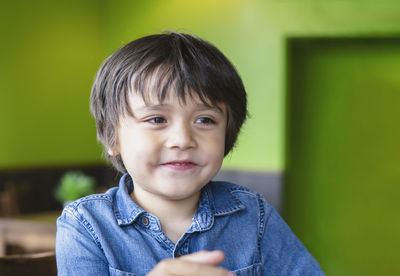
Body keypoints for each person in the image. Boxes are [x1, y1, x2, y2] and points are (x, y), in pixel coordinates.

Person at [56, 31, 324, 275]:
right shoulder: (86, 226)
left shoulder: (254, 216)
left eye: (205, 120)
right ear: (113, 137)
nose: (183, 140)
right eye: (157, 119)